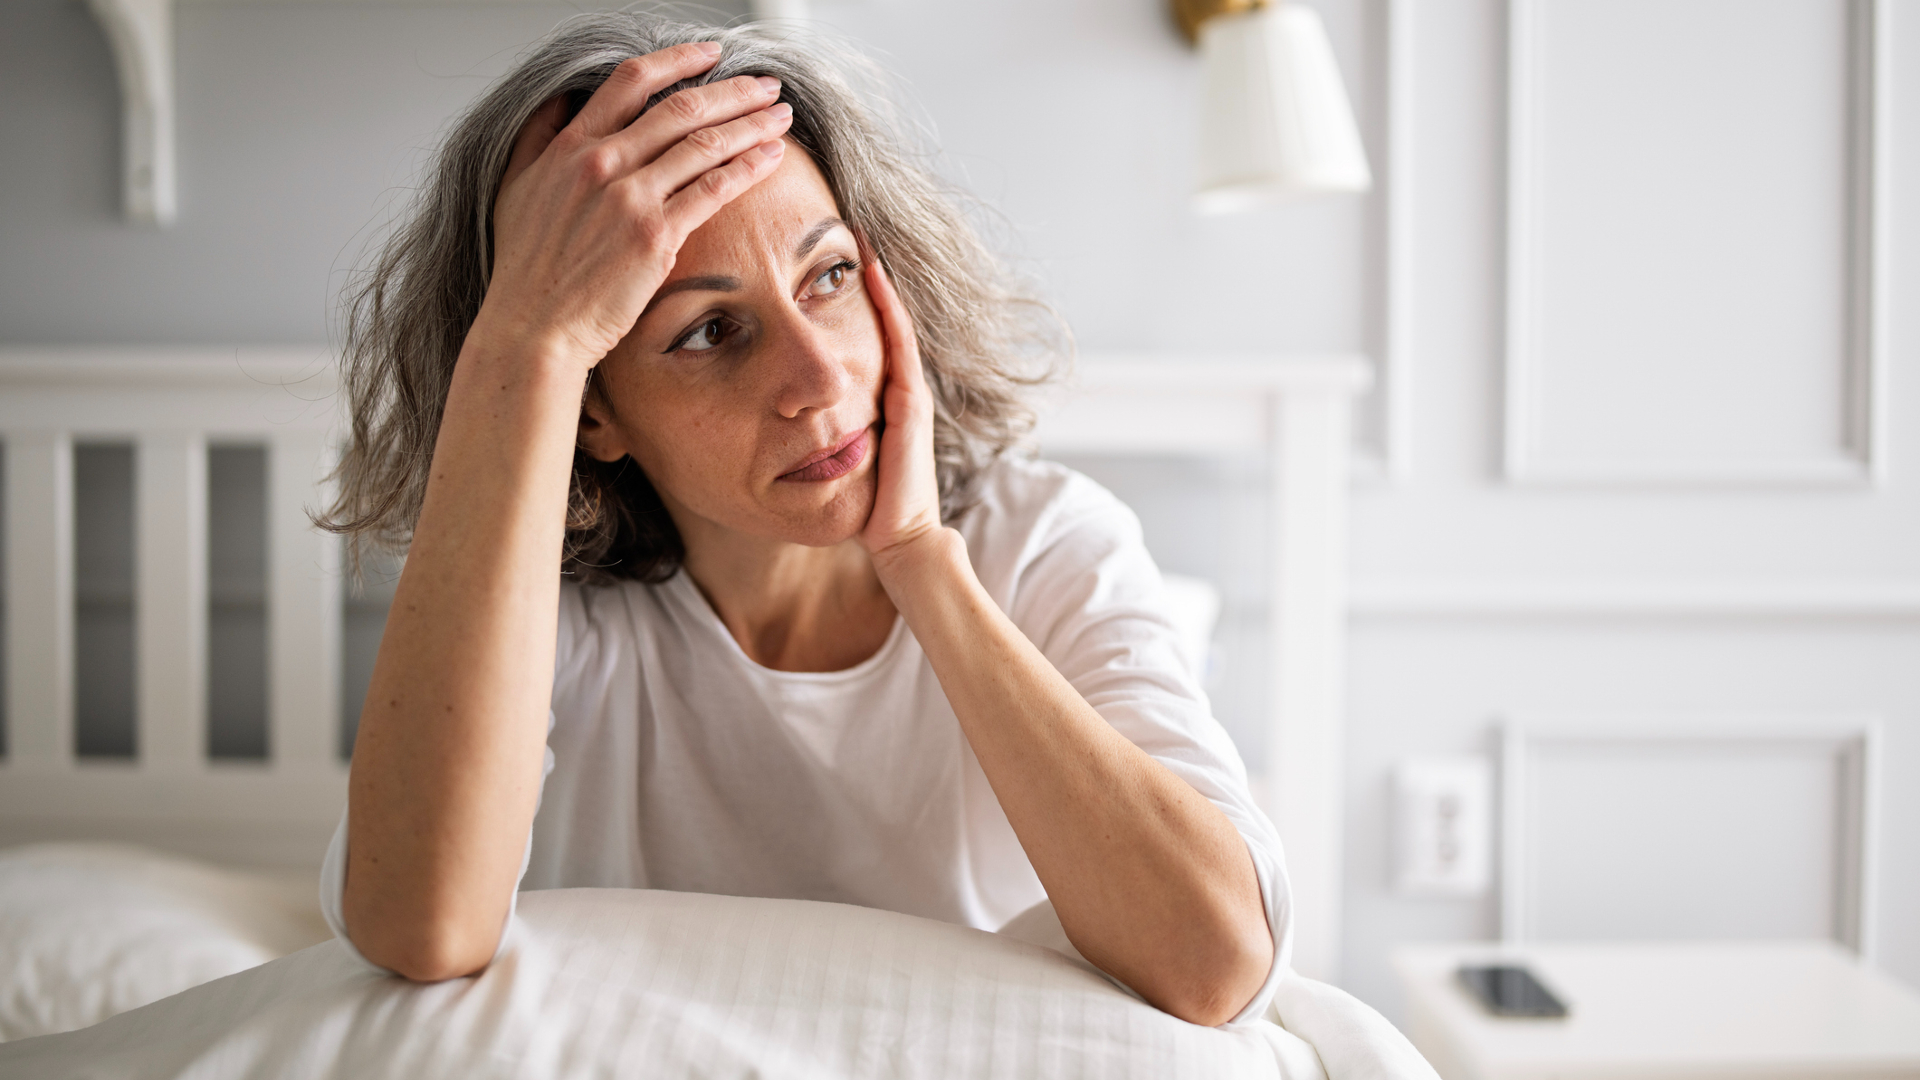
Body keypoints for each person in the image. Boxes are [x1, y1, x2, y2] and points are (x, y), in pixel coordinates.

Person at [318, 13, 1288, 1027]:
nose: (818, 376)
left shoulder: (1045, 544)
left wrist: (920, 562)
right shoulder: (549, 620)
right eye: (709, 332)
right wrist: (526, 342)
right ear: (594, 410)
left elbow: (1217, 961)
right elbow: (418, 926)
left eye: (828, 276)